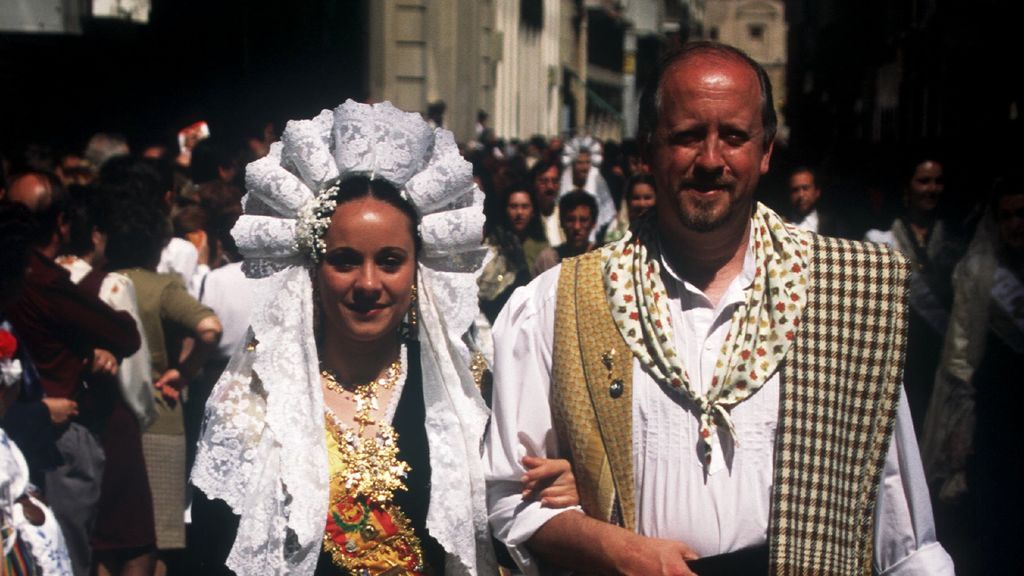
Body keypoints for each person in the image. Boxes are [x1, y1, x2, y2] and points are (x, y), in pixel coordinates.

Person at [485, 41, 954, 575]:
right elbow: (509, 495)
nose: (711, 160)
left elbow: (903, 529)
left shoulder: (847, 290)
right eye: (686, 137)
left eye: (733, 136)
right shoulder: (561, 300)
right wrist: (617, 550)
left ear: (766, 150)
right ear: (647, 150)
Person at [192, 100, 499, 575]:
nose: (369, 284)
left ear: (418, 270)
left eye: (391, 261)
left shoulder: (461, 394)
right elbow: (214, 551)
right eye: (346, 260)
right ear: (313, 270)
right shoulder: (256, 398)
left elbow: (500, 529)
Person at [4, 171, 141, 576]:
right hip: (51, 436)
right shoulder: (41, 281)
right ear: (62, 224)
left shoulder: (35, 281)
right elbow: (125, 332)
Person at [920, 177, 1024, 574]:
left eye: (1022, 214)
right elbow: (959, 357)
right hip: (994, 422)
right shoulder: (979, 272)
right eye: (1007, 216)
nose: (1016, 224)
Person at [866, 157, 966, 432]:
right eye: (923, 181)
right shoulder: (883, 240)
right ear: (907, 188)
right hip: (902, 360)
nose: (931, 188)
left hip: (943, 357)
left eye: (937, 181)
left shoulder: (957, 239)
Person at [478, 184, 549, 324]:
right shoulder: (492, 246)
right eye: (513, 206)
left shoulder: (543, 249)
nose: (519, 213)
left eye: (524, 206)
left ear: (533, 211)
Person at [532, 192, 598, 276]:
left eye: (583, 220)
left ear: (593, 223)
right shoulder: (547, 260)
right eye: (570, 220)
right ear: (561, 223)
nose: (576, 227)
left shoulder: (603, 259)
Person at [786, 166, 848, 237]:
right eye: (795, 190)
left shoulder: (834, 225)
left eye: (805, 188)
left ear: (817, 192)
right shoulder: (779, 223)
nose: (801, 195)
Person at [530, 160, 564, 247]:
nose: (550, 187)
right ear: (534, 184)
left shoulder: (565, 214)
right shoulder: (529, 217)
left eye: (555, 181)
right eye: (544, 181)